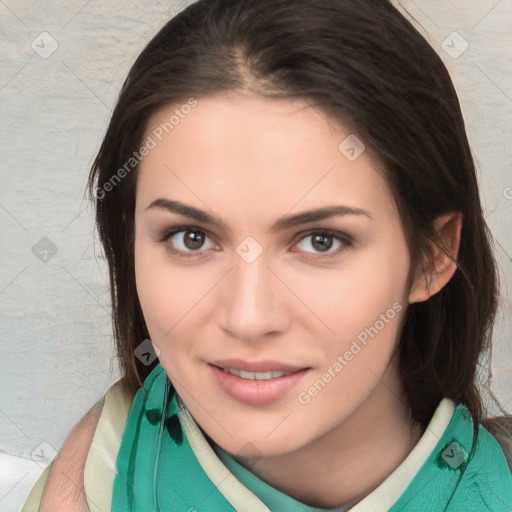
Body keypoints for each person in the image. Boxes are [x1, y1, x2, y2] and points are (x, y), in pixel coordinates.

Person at [23, 0, 512, 510]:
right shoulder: (90, 482)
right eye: (190, 237)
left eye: (321, 240)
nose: (248, 317)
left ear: (433, 255)